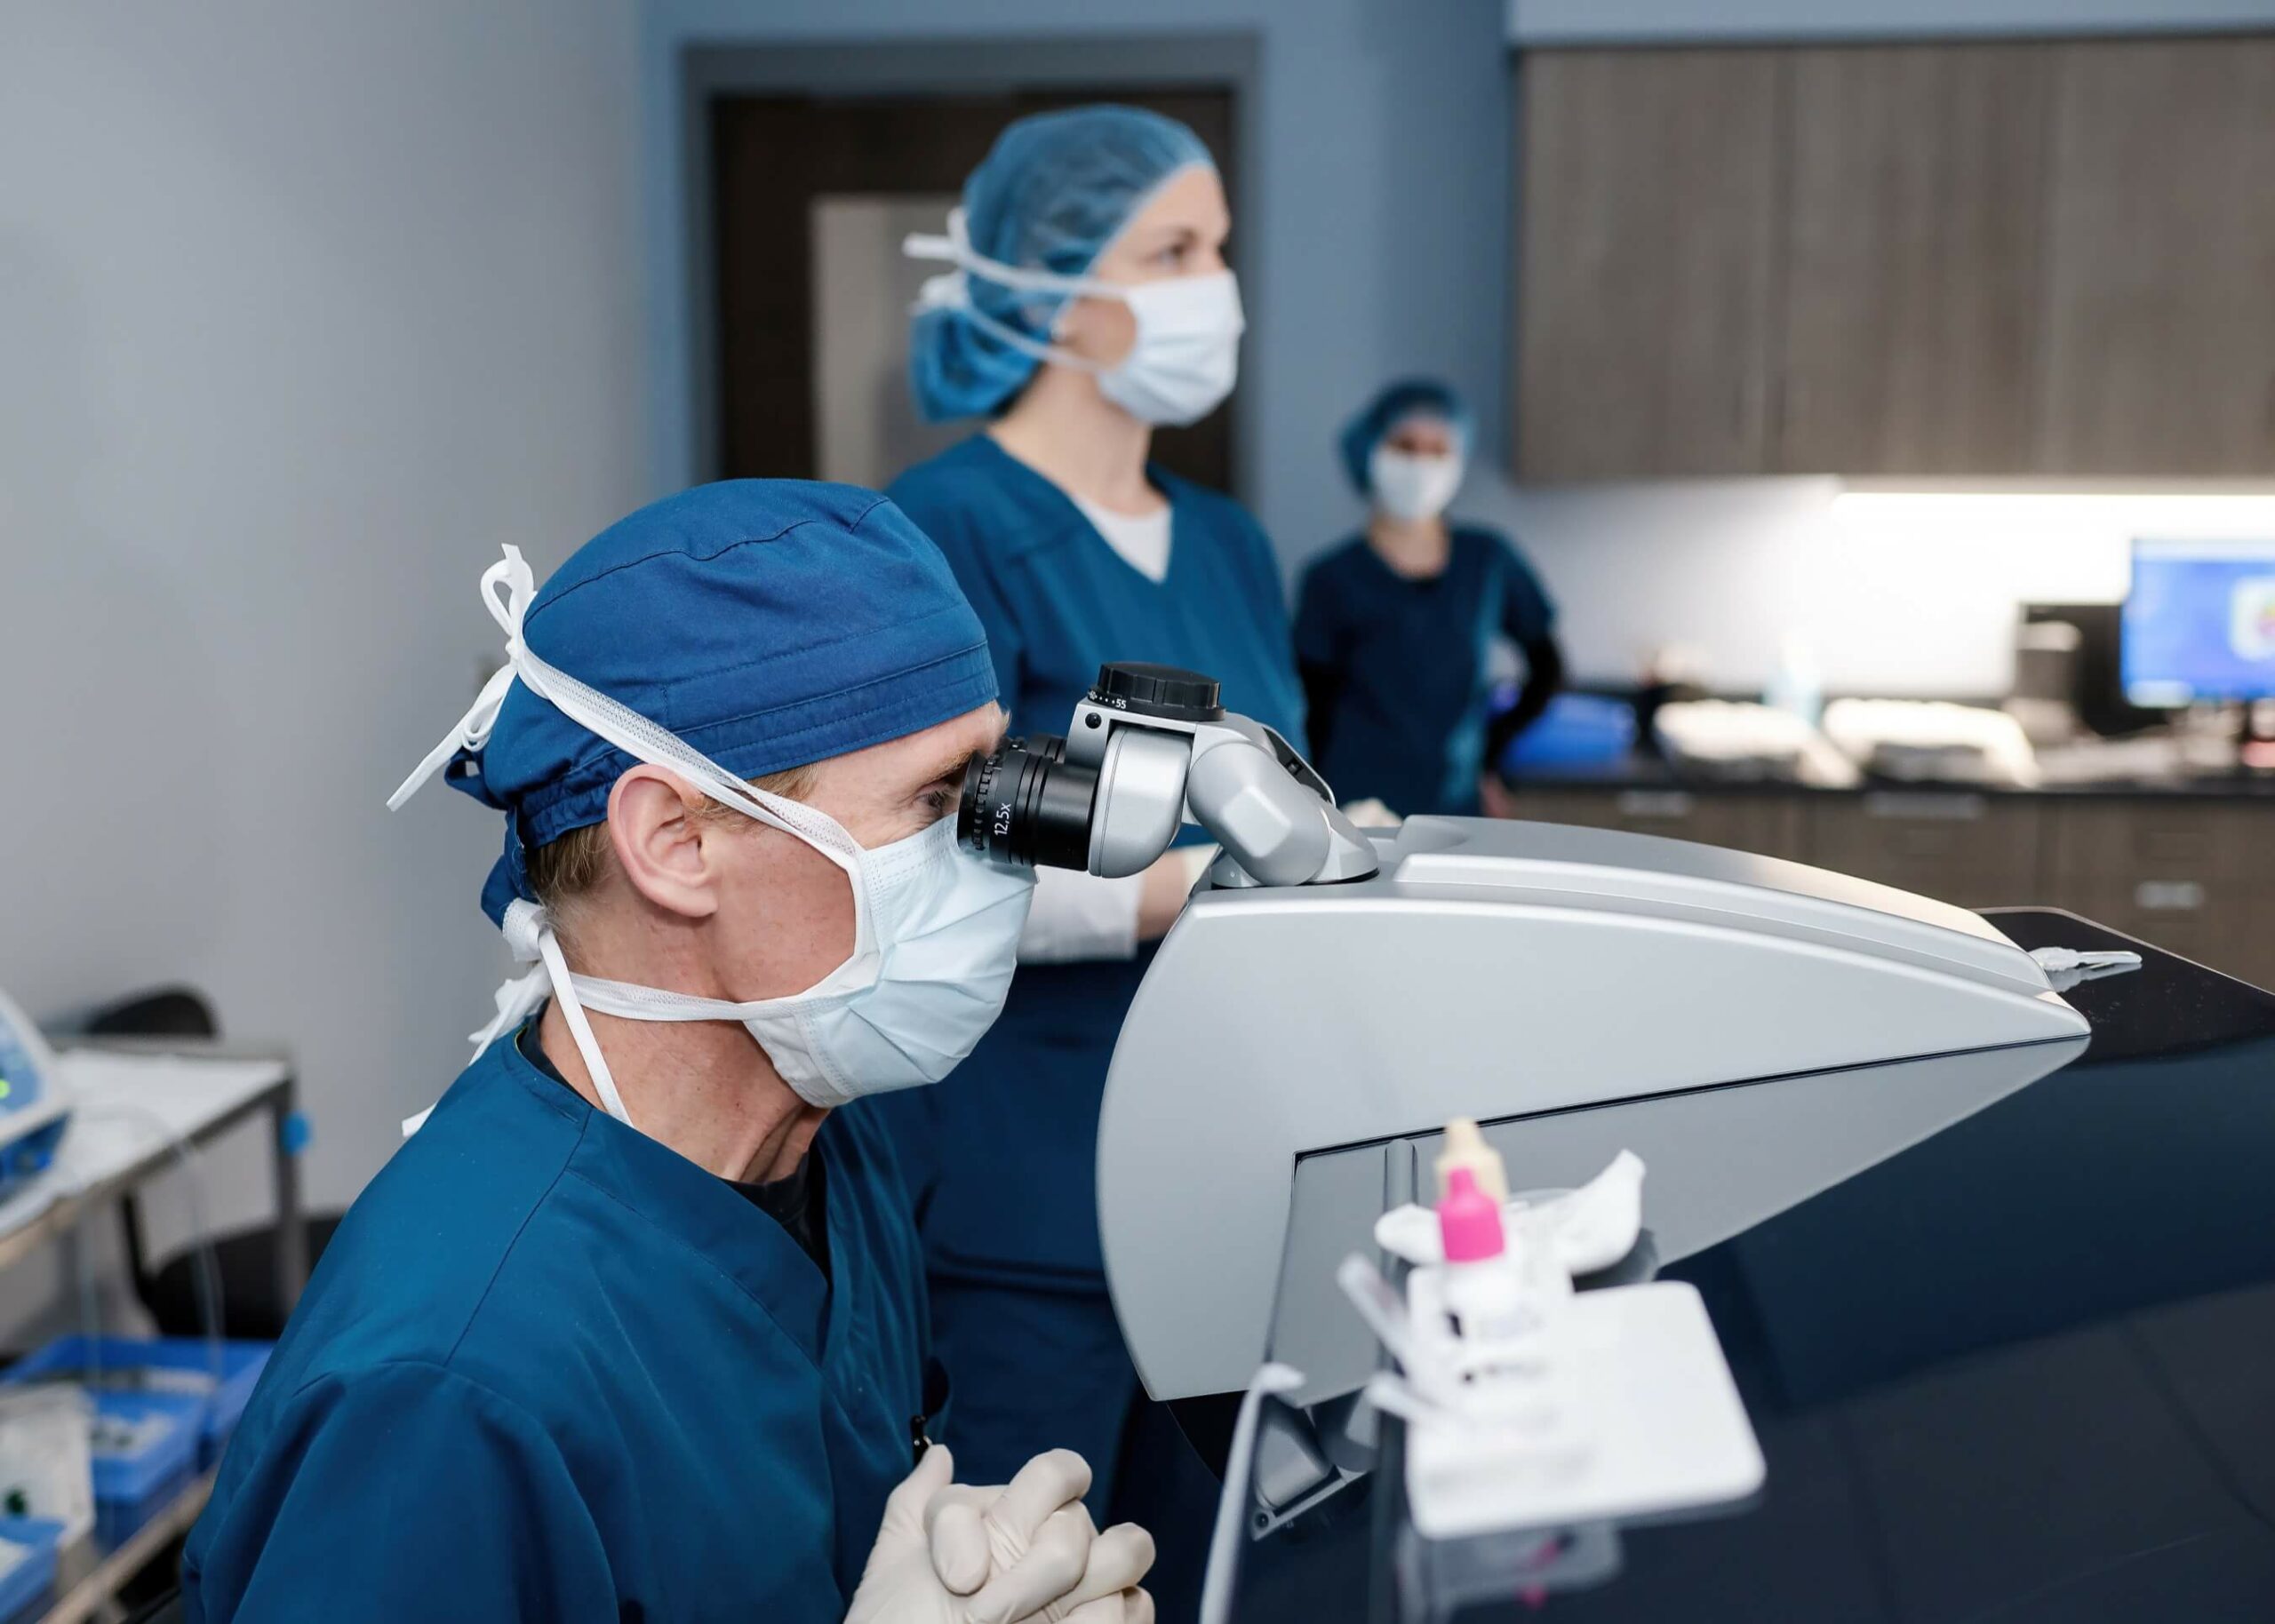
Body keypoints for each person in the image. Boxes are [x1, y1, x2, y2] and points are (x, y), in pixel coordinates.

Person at [181, 482, 1157, 1624]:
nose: (999, 855)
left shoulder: (823, 1142)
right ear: (675, 841)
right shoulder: (448, 1388)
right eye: (940, 799)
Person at [880, 105, 1305, 1605]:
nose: (1216, 287)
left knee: (1197, 1583)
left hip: (1227, 1186)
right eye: (1172, 251)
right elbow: (917, 855)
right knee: (1022, 1584)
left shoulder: (1232, 543)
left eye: (1220, 249)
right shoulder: (944, 530)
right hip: (1026, 1207)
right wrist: (1169, 889)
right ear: (1054, 292)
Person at [1294, 379, 1564, 817]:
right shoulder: (1331, 579)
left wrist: (1491, 756)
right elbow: (1310, 708)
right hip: (1354, 804)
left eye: (1439, 450)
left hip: (1456, 802)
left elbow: (1549, 669)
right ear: (1369, 451)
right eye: (1405, 446)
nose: (1421, 463)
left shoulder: (1488, 561)